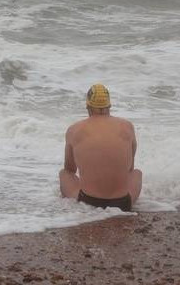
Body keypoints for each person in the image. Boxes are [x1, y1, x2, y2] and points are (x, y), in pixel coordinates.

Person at [59, 83, 142, 211]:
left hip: (88, 202)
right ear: (109, 105)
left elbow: (70, 169)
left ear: (88, 106)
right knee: (136, 173)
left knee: (64, 174)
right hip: (123, 203)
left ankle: (70, 209)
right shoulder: (127, 126)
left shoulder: (74, 129)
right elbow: (129, 169)